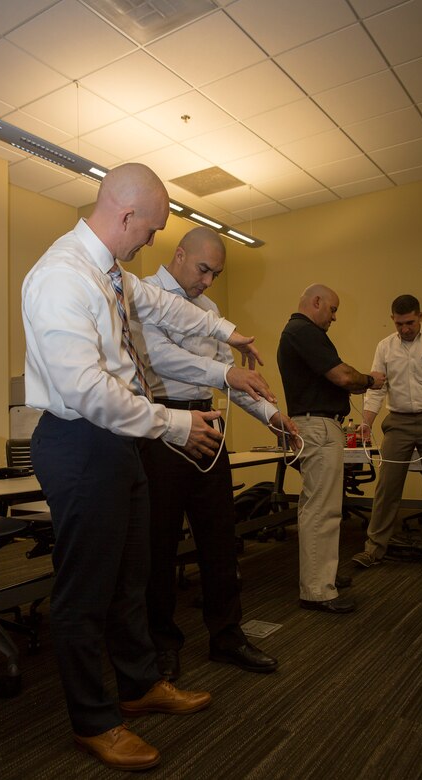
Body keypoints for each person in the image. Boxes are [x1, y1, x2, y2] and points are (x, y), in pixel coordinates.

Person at [21, 163, 273, 772]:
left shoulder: (110, 274)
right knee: (87, 589)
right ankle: (93, 720)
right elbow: (85, 390)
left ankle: (137, 686)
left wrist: (228, 333)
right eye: (153, 229)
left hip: (115, 442)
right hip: (81, 438)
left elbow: (168, 308)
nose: (153, 241)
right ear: (126, 215)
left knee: (132, 575)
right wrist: (173, 423)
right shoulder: (61, 276)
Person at [134, 226, 298, 681]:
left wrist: (271, 415)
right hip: (162, 427)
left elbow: (228, 376)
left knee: (220, 538)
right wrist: (226, 375)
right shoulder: (143, 294)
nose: (208, 282)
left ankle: (227, 635)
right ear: (180, 255)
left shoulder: (208, 309)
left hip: (207, 423)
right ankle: (162, 645)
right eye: (204, 270)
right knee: (159, 543)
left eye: (216, 274)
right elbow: (159, 358)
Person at [277, 284, 385, 613]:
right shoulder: (303, 330)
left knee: (322, 508)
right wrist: (370, 380)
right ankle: (317, 590)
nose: (334, 317)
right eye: (333, 310)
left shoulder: (300, 333)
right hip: (318, 426)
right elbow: (342, 376)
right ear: (317, 302)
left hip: (319, 425)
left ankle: (322, 576)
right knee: (321, 512)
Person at [352, 294, 422, 574]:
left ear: (420, 316)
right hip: (398, 420)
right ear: (392, 320)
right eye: (399, 324)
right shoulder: (385, 347)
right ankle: (374, 549)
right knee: (386, 487)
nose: (405, 329)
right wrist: (366, 423)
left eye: (410, 322)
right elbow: (376, 389)